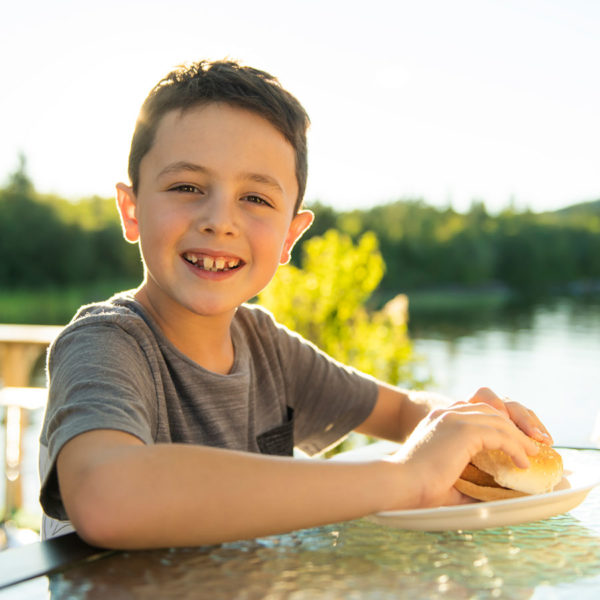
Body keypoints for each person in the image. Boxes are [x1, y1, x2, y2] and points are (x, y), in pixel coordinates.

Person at [39, 60, 553, 549]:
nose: (220, 220)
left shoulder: (266, 348)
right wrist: (406, 478)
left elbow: (399, 410)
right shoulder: (106, 344)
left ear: (290, 236)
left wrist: (467, 423)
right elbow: (108, 498)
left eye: (256, 198)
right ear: (131, 211)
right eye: (186, 186)